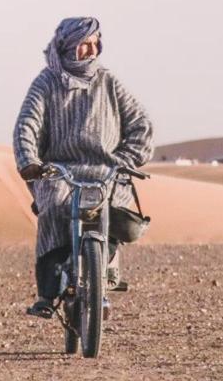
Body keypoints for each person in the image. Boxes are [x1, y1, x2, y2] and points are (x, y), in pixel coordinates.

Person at [13, 16, 154, 318]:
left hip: (106, 169)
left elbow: (141, 124)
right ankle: (48, 291)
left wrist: (128, 158)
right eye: (83, 45)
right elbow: (27, 125)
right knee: (54, 207)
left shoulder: (108, 82)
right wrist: (29, 161)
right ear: (67, 46)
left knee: (115, 209)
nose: (91, 51)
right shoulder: (47, 82)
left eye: (94, 44)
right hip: (60, 171)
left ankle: (106, 270)